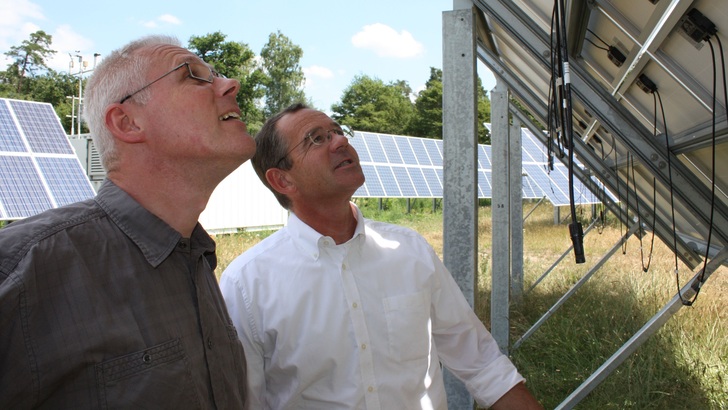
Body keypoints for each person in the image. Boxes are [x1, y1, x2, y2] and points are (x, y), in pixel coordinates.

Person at [220, 103, 542, 409]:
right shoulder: (247, 284)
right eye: (316, 139)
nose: (341, 141)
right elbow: (248, 400)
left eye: (336, 131)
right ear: (283, 179)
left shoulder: (410, 251)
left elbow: (480, 360)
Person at [0, 35, 255, 408]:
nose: (230, 84)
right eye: (193, 75)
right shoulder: (23, 268)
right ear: (127, 122)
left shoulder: (197, 257)